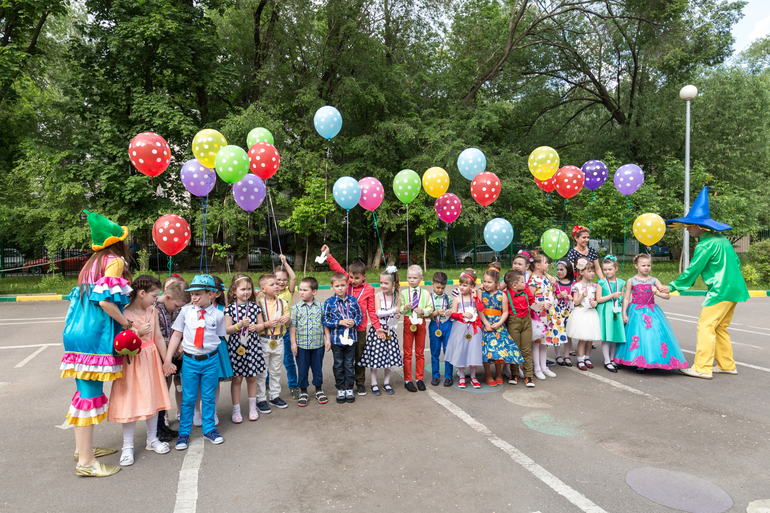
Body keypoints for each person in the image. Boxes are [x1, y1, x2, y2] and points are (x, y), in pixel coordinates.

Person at [61, 210, 132, 477]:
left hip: (76, 330)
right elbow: (105, 301)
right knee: (89, 396)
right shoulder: (114, 261)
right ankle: (87, 464)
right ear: (117, 241)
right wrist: (126, 323)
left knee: (83, 393)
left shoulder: (91, 263)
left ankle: (83, 450)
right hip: (94, 334)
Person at [664, 186, 750, 379]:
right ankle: (727, 364)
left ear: (700, 227)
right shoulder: (722, 240)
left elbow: (694, 269)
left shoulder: (705, 244)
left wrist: (672, 286)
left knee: (706, 325)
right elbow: (736, 262)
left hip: (720, 289)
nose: (687, 228)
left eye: (690, 225)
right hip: (735, 289)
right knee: (720, 327)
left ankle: (702, 367)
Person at [108, 275, 172, 466]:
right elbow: (119, 341)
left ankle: (152, 439)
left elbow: (159, 337)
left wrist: (166, 360)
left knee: (152, 398)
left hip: (150, 360)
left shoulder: (152, 310)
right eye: (153, 295)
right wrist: (137, 332)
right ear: (141, 293)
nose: (155, 299)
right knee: (131, 402)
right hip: (132, 362)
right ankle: (127, 446)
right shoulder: (124, 314)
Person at [162, 275, 227, 450]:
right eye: (192, 294)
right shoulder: (186, 311)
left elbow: (219, 337)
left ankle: (209, 429)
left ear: (212, 294)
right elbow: (176, 335)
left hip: (211, 361)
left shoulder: (219, 315)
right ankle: (184, 433)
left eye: (198, 294)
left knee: (208, 397)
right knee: (188, 398)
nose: (194, 298)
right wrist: (168, 359)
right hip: (190, 362)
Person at [321, 245, 380, 396]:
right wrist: (328, 255)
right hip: (340, 329)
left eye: (357, 278)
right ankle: (345, 384)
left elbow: (371, 311)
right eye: (351, 278)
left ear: (364, 277)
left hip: (358, 329)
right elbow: (337, 268)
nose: (353, 281)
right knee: (343, 360)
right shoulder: (345, 282)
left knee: (359, 357)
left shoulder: (369, 290)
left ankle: (359, 382)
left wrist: (377, 326)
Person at [614, 254, 688, 373]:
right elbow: (626, 298)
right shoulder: (631, 280)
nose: (646, 268)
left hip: (651, 311)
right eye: (643, 265)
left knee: (651, 335)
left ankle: (652, 359)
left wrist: (657, 292)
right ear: (636, 266)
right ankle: (636, 360)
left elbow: (667, 296)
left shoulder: (654, 280)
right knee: (636, 334)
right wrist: (624, 314)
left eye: (648, 265)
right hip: (635, 311)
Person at [224, 274, 265, 422]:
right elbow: (227, 329)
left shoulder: (255, 307)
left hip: (252, 345)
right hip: (236, 347)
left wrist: (256, 327)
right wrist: (239, 325)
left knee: (252, 377)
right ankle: (236, 410)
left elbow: (261, 326)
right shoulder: (229, 309)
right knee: (237, 378)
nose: (246, 292)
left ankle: (252, 408)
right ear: (234, 290)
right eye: (243, 289)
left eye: (249, 289)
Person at [359, 268, 403, 395]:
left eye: (386, 283)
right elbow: (378, 313)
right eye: (381, 282)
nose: (383, 285)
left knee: (388, 359)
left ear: (393, 284)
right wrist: (393, 311)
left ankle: (386, 383)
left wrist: (396, 316)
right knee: (376, 358)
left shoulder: (396, 297)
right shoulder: (378, 296)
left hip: (390, 331)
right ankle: (373, 384)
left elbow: (397, 314)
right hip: (378, 330)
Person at [155, 277, 189, 441]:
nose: (177, 309)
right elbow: (158, 336)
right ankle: (160, 424)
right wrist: (174, 347)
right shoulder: (154, 308)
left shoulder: (175, 309)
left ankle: (163, 423)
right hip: (159, 356)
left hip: (173, 355)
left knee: (171, 384)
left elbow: (179, 329)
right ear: (168, 297)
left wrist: (181, 343)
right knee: (161, 389)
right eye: (176, 306)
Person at [480, 264, 523, 386]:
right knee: (487, 351)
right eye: (484, 281)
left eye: (489, 282)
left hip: (498, 326)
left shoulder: (502, 295)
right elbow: (480, 310)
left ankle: (498, 373)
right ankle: (488, 374)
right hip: (486, 325)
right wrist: (486, 324)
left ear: (497, 283)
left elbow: (505, 312)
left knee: (500, 350)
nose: (486, 284)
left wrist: (499, 323)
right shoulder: (481, 294)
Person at [323, 273, 364, 403]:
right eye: (337, 286)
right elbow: (325, 319)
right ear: (332, 287)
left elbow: (360, 315)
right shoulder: (329, 302)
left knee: (349, 364)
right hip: (336, 340)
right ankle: (340, 387)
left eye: (342, 285)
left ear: (347, 285)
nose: (340, 288)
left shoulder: (353, 300)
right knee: (339, 364)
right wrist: (339, 322)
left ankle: (349, 387)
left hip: (351, 339)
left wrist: (354, 322)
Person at [290, 277, 331, 406]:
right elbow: (293, 327)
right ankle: (303, 392)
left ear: (314, 292)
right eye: (300, 289)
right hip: (301, 346)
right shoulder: (296, 308)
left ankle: (319, 390)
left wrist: (328, 339)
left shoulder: (320, 306)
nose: (301, 292)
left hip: (318, 345)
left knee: (317, 368)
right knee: (302, 369)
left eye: (305, 290)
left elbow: (325, 324)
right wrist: (293, 343)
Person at [256, 273, 291, 412]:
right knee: (262, 372)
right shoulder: (259, 303)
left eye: (277, 284)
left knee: (276, 370)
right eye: (272, 284)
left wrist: (286, 319)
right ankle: (261, 399)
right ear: (263, 289)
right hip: (264, 340)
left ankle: (274, 396)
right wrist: (267, 323)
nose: (276, 286)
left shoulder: (283, 303)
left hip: (279, 340)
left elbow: (288, 318)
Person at [445, 269, 483, 389]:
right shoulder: (457, 298)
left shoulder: (473, 298)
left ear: (472, 286)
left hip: (473, 328)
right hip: (460, 328)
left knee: (473, 351)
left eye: (465, 285)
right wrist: (463, 315)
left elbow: (481, 308)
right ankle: (461, 375)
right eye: (460, 285)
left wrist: (476, 298)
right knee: (460, 350)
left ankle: (473, 376)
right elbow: (453, 314)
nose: (461, 287)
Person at [399, 265, 434, 392]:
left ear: (421, 278)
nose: (411, 280)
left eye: (414, 278)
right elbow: (401, 310)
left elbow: (430, 308)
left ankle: (419, 378)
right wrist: (405, 308)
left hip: (420, 321)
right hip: (409, 321)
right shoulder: (404, 293)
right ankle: (408, 380)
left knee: (420, 351)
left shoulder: (425, 293)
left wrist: (423, 310)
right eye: (409, 277)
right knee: (407, 352)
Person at [566, 258, 603, 371]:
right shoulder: (577, 286)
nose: (592, 273)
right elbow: (576, 302)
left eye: (593, 271)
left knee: (589, 338)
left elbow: (597, 300)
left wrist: (595, 302)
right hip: (581, 313)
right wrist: (583, 296)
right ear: (581, 272)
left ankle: (587, 357)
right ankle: (580, 359)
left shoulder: (595, 286)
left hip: (591, 313)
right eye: (589, 271)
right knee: (582, 338)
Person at [529, 253, 561, 379]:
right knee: (537, 342)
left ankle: (544, 366)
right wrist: (540, 305)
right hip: (538, 315)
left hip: (548, 314)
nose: (548, 264)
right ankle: (537, 367)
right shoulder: (533, 280)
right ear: (538, 265)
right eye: (546, 262)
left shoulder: (545, 278)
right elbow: (530, 301)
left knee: (544, 342)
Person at [504, 270, 535, 387]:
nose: (525, 283)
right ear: (514, 285)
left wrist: (540, 306)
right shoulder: (506, 295)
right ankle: (514, 374)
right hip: (513, 322)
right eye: (522, 281)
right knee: (514, 348)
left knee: (526, 350)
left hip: (527, 321)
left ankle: (528, 376)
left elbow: (532, 302)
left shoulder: (526, 291)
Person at [275, 256, 300, 400]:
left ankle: (293, 385)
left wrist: (285, 263)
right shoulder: (269, 292)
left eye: (284, 280)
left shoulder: (288, 292)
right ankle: (266, 381)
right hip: (270, 332)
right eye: (278, 280)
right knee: (269, 359)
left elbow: (294, 278)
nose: (281, 282)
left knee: (288, 359)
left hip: (285, 330)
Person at [596, 256, 626, 372]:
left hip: (616, 310)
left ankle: (612, 358)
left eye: (610, 269)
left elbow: (623, 298)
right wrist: (612, 296)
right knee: (606, 336)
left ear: (616, 269)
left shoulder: (621, 283)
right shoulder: (601, 283)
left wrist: (622, 309)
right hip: (605, 311)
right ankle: (607, 360)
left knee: (614, 336)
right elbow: (599, 299)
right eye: (605, 270)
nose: (607, 272)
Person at [427, 271, 453, 387]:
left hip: (447, 325)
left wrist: (450, 312)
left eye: (442, 288)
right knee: (435, 351)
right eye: (437, 287)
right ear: (432, 284)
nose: (440, 290)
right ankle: (435, 375)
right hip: (434, 325)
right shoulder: (428, 299)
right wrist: (436, 312)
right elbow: (426, 315)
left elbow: (454, 310)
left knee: (448, 351)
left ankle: (448, 376)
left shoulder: (449, 299)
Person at [553, 260, 575, 367]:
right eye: (558, 270)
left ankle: (567, 356)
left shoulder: (574, 283)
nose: (559, 272)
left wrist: (572, 298)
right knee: (558, 332)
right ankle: (558, 355)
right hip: (558, 311)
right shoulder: (556, 284)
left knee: (568, 334)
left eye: (562, 269)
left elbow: (577, 298)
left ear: (569, 269)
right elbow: (552, 298)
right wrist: (558, 296)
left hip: (570, 311)